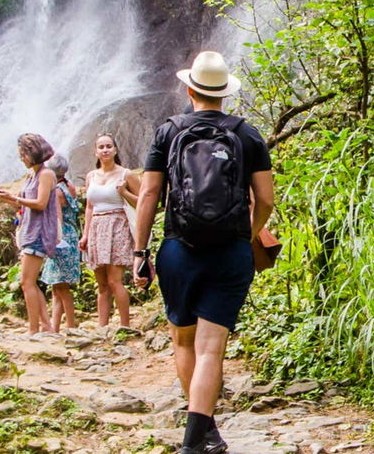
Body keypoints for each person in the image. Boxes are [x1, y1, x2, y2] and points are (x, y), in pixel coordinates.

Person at [133, 51, 274, 454]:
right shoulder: (247, 135)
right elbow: (265, 199)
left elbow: (148, 194)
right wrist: (250, 235)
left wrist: (140, 252)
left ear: (189, 88)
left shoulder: (169, 132)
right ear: (225, 94)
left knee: (184, 341)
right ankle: (200, 436)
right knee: (212, 347)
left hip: (179, 248)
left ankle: (199, 435)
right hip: (230, 251)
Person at [0, 133, 58, 335]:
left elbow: (40, 203)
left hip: (39, 232)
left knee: (26, 282)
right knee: (29, 282)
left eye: (23, 154)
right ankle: (46, 327)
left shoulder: (46, 174)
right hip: (30, 230)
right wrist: (3, 196)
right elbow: (22, 201)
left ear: (32, 153)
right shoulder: (32, 175)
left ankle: (33, 329)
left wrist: (14, 198)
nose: (21, 158)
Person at [79, 134, 140, 327]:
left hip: (117, 226)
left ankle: (125, 326)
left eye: (108, 146)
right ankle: (102, 327)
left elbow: (143, 202)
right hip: (97, 227)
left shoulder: (126, 174)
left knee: (115, 281)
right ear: (95, 152)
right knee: (102, 284)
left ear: (115, 150)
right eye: (101, 147)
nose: (105, 150)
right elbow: (89, 207)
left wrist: (124, 192)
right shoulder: (91, 176)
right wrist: (85, 234)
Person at [41, 154, 82, 332]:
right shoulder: (69, 186)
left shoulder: (56, 192)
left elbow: (56, 217)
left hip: (61, 236)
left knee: (61, 287)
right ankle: (55, 327)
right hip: (71, 234)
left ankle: (71, 325)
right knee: (58, 287)